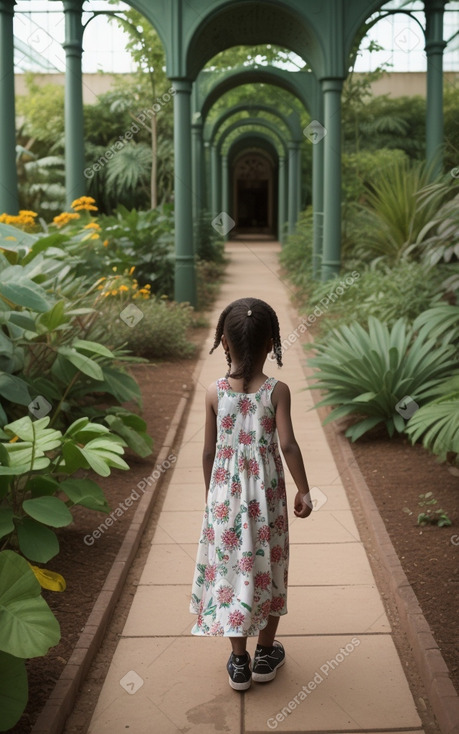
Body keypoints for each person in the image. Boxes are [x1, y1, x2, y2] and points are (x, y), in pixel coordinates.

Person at [190, 297, 312, 691]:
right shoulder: (278, 391)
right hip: (266, 500)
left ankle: (238, 662)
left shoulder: (214, 392)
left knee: (230, 573)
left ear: (224, 343)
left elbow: (208, 452)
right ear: (271, 343)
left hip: (225, 500)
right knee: (269, 567)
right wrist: (304, 490)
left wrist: (213, 498)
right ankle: (265, 654)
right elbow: (289, 446)